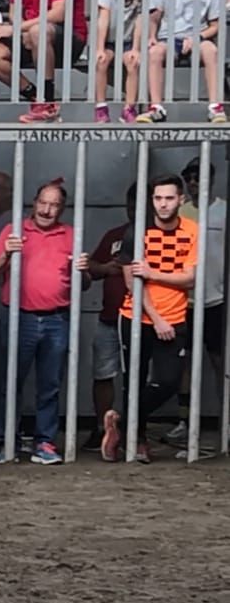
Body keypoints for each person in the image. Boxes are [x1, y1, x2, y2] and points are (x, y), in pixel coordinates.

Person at [0, 180, 90, 465]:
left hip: (58, 317)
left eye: (54, 204)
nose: (47, 209)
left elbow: (85, 285)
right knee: (10, 382)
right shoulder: (14, 230)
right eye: (43, 202)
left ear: (62, 208)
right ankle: (9, 441)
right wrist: (6, 251)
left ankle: (44, 443)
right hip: (19, 316)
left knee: (51, 383)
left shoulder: (71, 234)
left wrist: (84, 271)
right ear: (34, 202)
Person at [104, 174, 197, 465]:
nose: (163, 204)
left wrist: (153, 274)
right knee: (133, 381)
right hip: (136, 317)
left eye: (169, 198)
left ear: (180, 200)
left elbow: (190, 278)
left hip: (175, 317)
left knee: (168, 382)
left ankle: (119, 419)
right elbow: (132, 282)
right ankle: (138, 441)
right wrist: (156, 318)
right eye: (158, 198)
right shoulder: (138, 232)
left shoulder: (192, 230)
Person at [136, 0, 226, 124]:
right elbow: (153, 17)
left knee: (211, 50)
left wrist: (197, 37)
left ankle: (215, 107)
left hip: (197, 38)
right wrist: (152, 36)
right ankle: (156, 107)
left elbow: (215, 25)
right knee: (154, 52)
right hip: (169, 38)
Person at [177, 157, 226, 454]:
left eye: (199, 176)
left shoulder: (224, 209)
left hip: (217, 299)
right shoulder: (181, 211)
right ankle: (184, 421)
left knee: (221, 363)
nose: (194, 182)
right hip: (185, 300)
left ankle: (225, 421)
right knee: (185, 365)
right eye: (189, 177)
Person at [87, 186, 136, 459]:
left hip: (144, 320)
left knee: (139, 377)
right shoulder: (115, 235)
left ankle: (132, 430)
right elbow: (92, 266)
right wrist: (106, 269)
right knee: (103, 374)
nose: (134, 210)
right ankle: (100, 426)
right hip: (109, 317)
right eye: (131, 204)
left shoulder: (157, 237)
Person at [92, 0, 144, 124]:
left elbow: (139, 24)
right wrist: (100, 48)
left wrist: (136, 48)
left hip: (127, 41)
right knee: (102, 61)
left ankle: (128, 108)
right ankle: (101, 107)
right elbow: (103, 20)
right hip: (108, 41)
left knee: (133, 63)